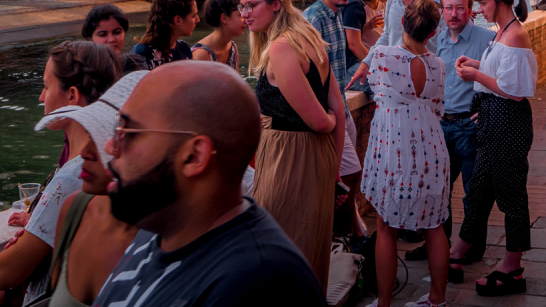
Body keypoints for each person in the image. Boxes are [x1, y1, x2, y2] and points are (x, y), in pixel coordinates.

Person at [93, 62, 327, 307]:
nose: (111, 146)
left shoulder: (257, 285)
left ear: (194, 156)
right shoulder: (161, 227)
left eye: (127, 131)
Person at [242, 0, 346, 290]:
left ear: (275, 5)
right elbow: (339, 107)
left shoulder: (282, 47)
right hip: (316, 156)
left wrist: (325, 124)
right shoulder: (310, 38)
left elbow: (323, 118)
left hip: (289, 156)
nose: (244, 14)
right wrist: (334, 169)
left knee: (278, 246)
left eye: (251, 6)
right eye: (241, 8)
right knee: (307, 245)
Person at [0, 41, 121, 305]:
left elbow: (7, 272)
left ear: (72, 96)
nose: (42, 97)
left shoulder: (76, 174)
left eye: (46, 86)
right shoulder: (104, 160)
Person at [450, 0, 537, 297]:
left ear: (499, 3)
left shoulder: (515, 35)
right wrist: (477, 64)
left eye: (483, 3)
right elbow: (503, 74)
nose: (479, 9)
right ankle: (457, 252)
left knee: (510, 196)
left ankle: (512, 267)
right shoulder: (504, 33)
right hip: (493, 121)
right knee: (480, 192)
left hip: (507, 124)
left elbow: (514, 93)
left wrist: (476, 75)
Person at [361, 0, 450, 307]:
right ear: (433, 32)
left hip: (393, 145)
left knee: (386, 227)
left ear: (402, 23)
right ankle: (437, 299)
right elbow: (438, 107)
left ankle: (384, 302)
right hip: (430, 145)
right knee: (434, 226)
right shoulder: (438, 64)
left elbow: (372, 87)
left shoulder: (383, 55)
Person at [32, 72, 147, 307]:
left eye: (108, 138)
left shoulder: (165, 239)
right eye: (89, 134)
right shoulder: (75, 210)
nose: (86, 152)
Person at [406, 0, 495, 274]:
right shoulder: (438, 41)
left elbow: (502, 76)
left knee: (474, 191)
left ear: (471, 11)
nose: (454, 13)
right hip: (441, 126)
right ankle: (439, 246)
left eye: (460, 8)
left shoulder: (487, 39)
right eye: (448, 8)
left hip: (470, 128)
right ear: (441, 11)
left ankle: (471, 248)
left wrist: (487, 110)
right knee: (437, 191)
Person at [303, 0, 363, 237]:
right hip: (327, 112)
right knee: (346, 173)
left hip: (342, 108)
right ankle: (340, 231)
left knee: (351, 172)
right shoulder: (313, 20)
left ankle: (349, 228)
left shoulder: (338, 13)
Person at [347, 0, 442, 90]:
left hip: (425, 77)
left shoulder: (439, 2)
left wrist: (416, 6)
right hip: (394, 76)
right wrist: (367, 62)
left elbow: (445, 42)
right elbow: (387, 36)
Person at [342, 0, 385, 91]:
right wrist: (376, 64)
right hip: (346, 68)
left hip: (347, 64)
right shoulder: (354, 6)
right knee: (385, 82)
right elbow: (354, 45)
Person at [131, 0, 197, 68]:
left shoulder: (184, 48)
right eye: (193, 16)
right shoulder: (142, 54)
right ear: (178, 20)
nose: (197, 20)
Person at [191, 0, 243, 69]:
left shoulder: (232, 47)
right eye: (240, 15)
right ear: (224, 18)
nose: (246, 18)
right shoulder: (201, 54)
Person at [82, 4, 148, 72]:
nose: (111, 40)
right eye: (103, 34)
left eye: (117, 32)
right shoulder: (81, 70)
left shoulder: (135, 66)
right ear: (90, 39)